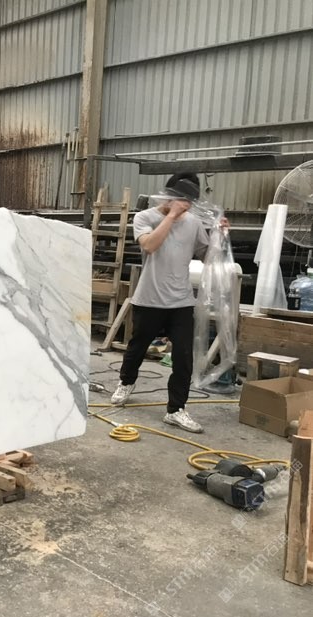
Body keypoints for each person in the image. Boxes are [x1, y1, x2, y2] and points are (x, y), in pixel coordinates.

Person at [110, 172, 228, 433]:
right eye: (180, 199)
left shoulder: (194, 223)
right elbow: (149, 246)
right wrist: (172, 216)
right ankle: (126, 382)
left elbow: (207, 256)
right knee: (137, 347)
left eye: (188, 201)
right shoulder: (144, 217)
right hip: (149, 298)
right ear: (168, 195)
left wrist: (219, 236)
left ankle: (176, 409)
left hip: (181, 301)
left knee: (183, 357)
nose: (184, 205)